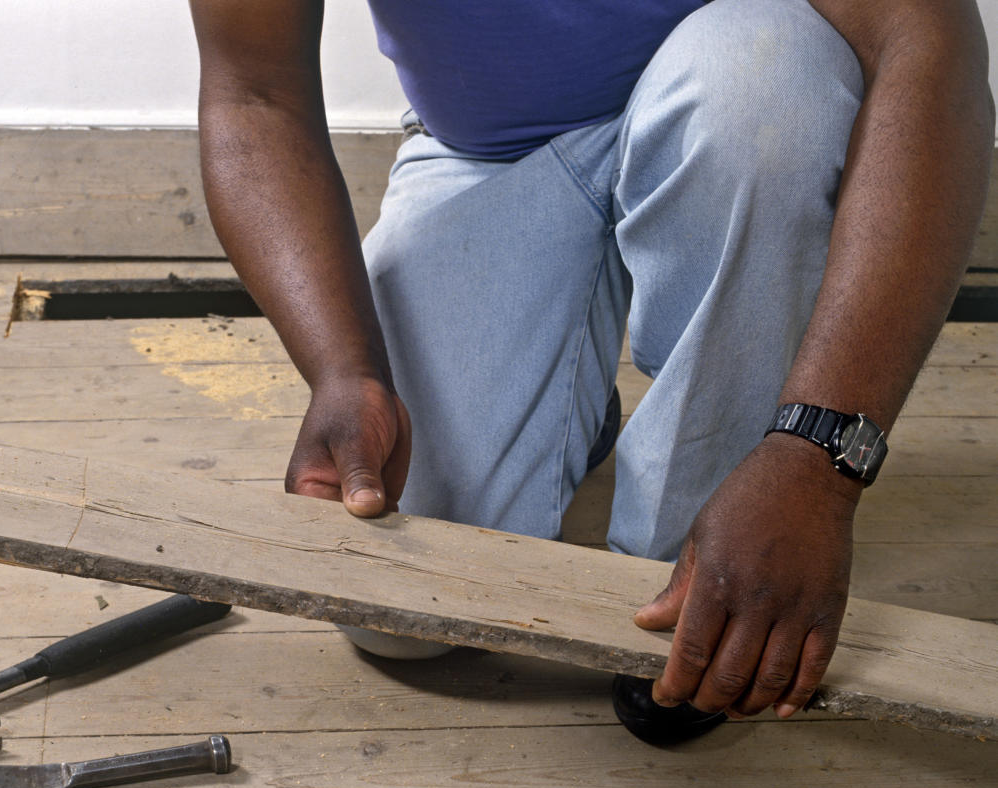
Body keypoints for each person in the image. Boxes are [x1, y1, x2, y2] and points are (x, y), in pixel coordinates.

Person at [188, 0, 993, 743]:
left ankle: (692, 545)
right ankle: (575, 407)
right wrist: (343, 368)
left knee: (765, 95)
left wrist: (822, 459)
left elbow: (929, 41)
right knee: (400, 609)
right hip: (491, 153)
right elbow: (254, 94)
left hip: (731, 113)